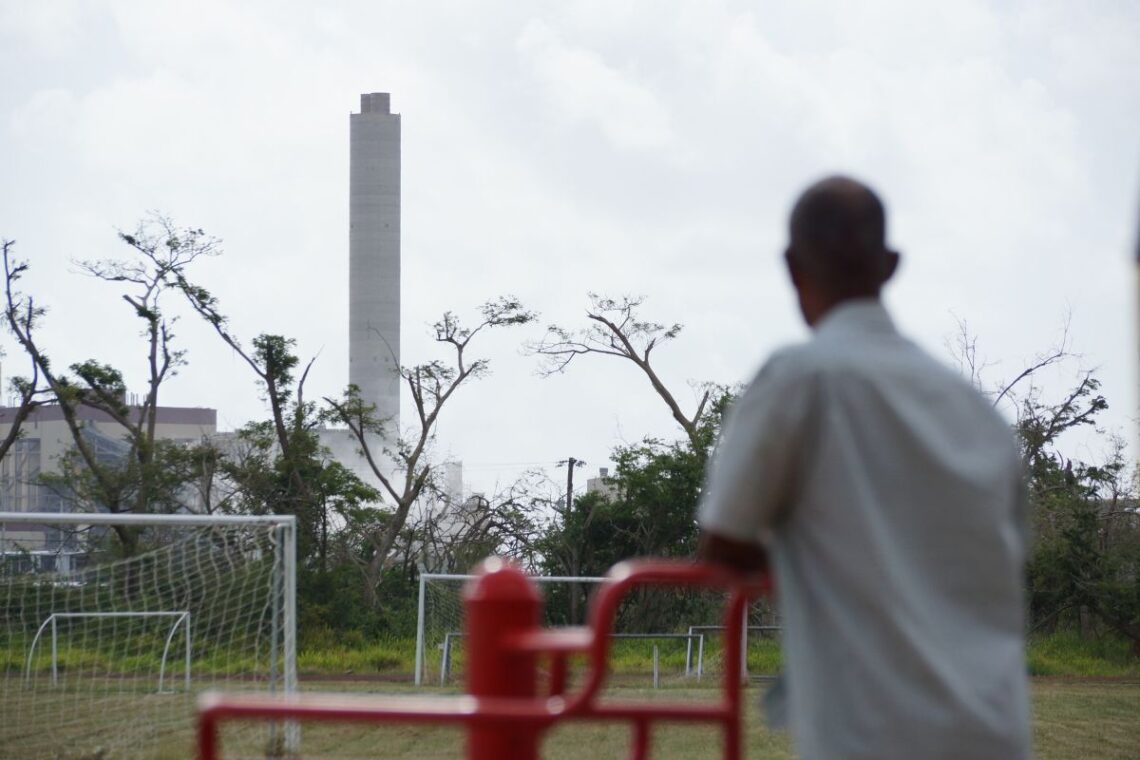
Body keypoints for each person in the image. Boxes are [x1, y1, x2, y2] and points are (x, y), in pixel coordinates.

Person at [697, 176, 1032, 759]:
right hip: (995, 732)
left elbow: (724, 541)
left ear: (792, 268)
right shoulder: (976, 412)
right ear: (891, 265)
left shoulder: (799, 380)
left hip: (869, 735)